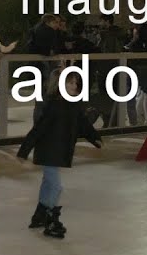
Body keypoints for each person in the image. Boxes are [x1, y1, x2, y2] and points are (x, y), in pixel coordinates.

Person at [16, 72, 103, 239]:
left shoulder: (74, 105)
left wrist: (95, 138)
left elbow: (83, 124)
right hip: (49, 150)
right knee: (55, 186)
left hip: (60, 150)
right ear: (62, 85)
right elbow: (39, 128)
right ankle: (50, 219)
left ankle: (39, 216)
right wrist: (24, 150)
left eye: (76, 84)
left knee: (48, 184)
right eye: (70, 83)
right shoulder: (55, 105)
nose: (74, 87)